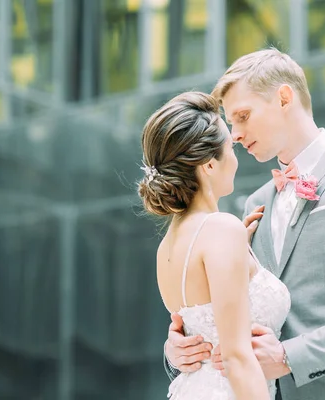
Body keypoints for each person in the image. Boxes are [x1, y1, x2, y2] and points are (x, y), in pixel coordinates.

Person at [164, 48, 325, 400]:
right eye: (231, 123)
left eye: (243, 116)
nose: (235, 135)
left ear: (284, 98)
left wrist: (289, 357)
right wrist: (182, 345)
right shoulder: (253, 204)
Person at [138, 91, 291, 400]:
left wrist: (240, 251)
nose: (236, 156)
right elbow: (236, 357)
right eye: (230, 148)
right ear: (208, 165)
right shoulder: (221, 230)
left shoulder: (168, 245)